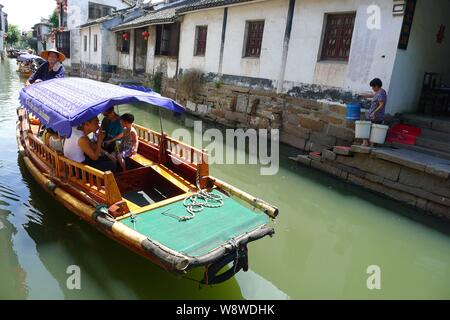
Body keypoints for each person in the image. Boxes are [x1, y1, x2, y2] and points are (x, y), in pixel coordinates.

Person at [360, 78, 388, 146]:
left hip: (374, 115)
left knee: (365, 127)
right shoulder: (381, 91)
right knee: (373, 129)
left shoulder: (380, 93)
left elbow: (381, 105)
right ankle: (371, 143)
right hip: (376, 115)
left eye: (373, 87)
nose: (372, 88)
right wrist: (364, 96)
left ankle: (365, 142)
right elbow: (374, 95)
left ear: (376, 86)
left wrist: (374, 112)